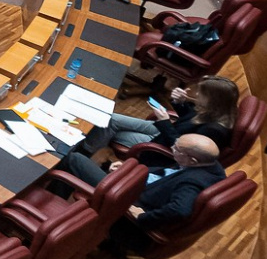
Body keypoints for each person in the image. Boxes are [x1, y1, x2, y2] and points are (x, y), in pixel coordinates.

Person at [63, 77, 239, 181]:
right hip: (165, 129)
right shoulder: (214, 111)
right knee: (110, 120)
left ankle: (81, 156)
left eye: (202, 94)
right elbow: (190, 121)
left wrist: (164, 122)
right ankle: (84, 152)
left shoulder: (215, 131)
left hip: (161, 144)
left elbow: (180, 147)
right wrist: (180, 102)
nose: (197, 95)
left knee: (111, 130)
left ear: (214, 100)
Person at [100, 134, 226, 255]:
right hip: (139, 186)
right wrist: (131, 170)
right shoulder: (211, 166)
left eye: (176, 148)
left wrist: (142, 216)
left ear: (192, 160)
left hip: (128, 209)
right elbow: (166, 174)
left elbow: (180, 210)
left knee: (80, 162)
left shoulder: (191, 183)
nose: (172, 148)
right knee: (101, 168)